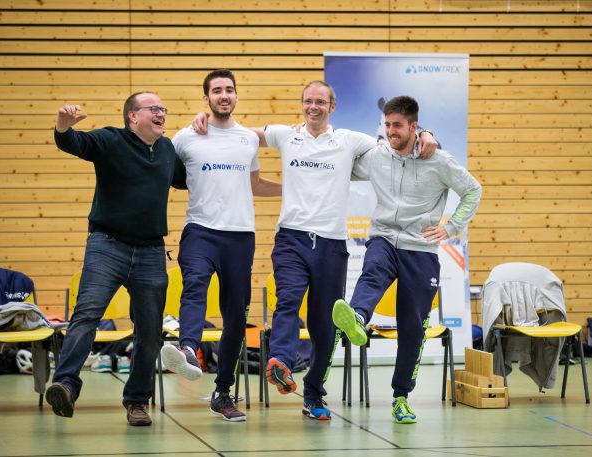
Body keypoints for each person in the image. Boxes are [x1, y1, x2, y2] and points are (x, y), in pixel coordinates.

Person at [192, 81, 437, 420]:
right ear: (302, 104)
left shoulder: (350, 141)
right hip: (291, 239)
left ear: (332, 107)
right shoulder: (284, 135)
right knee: (288, 300)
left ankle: (314, 395)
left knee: (325, 327)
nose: (313, 107)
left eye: (320, 102)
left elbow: (397, 141)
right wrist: (204, 121)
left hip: (332, 245)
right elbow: (241, 135)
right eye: (308, 101)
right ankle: (280, 360)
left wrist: (427, 133)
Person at [332, 95, 482, 424]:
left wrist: (453, 226)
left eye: (397, 125)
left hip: (421, 249)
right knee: (372, 271)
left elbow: (473, 189)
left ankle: (401, 396)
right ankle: (357, 318)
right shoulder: (376, 156)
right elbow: (341, 167)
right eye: (387, 125)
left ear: (414, 127)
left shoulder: (439, 160)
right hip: (384, 237)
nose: (390, 131)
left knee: (413, 328)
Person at [45, 92, 186, 426]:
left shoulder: (167, 150)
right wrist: (64, 127)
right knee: (87, 315)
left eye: (163, 109)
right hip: (107, 245)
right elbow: (73, 143)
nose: (161, 113)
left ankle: (136, 401)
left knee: (150, 331)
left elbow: (188, 178)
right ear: (132, 116)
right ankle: (65, 384)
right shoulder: (111, 139)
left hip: (151, 251)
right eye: (154, 109)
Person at [160, 69, 281, 422]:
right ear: (206, 98)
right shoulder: (185, 137)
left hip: (240, 237)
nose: (224, 95)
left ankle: (223, 393)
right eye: (216, 90)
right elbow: (159, 169)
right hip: (200, 231)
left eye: (229, 90)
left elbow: (254, 184)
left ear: (236, 96)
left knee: (235, 318)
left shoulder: (247, 139)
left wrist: (296, 189)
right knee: (194, 285)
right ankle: (186, 349)